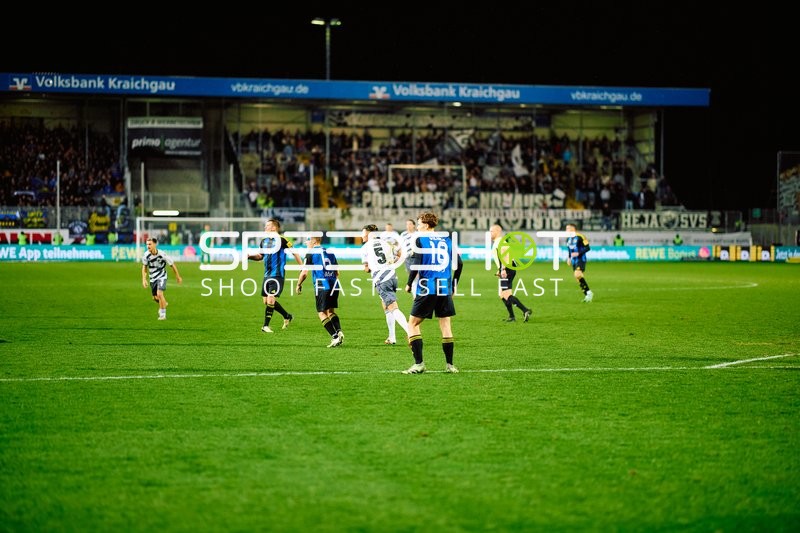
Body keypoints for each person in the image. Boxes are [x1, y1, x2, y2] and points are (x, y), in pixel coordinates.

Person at [403, 212, 463, 374]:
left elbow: (416, 264)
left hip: (427, 286)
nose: (417, 226)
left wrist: (408, 284)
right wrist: (454, 285)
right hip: (444, 288)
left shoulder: (420, 240)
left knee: (413, 324)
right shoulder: (447, 239)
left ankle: (419, 364)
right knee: (445, 325)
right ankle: (450, 365)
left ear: (427, 225)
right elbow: (460, 263)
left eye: (419, 223)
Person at [247, 218, 302, 333]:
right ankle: (287, 316)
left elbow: (295, 252)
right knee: (266, 301)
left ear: (273, 227)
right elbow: (260, 256)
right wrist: (249, 256)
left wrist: (302, 267)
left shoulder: (282, 240)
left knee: (271, 300)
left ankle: (265, 326)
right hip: (267, 274)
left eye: (267, 226)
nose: (265, 228)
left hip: (277, 275)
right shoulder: (264, 241)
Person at [361, 224, 409, 345]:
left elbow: (366, 269)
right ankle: (392, 337)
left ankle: (411, 332)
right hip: (392, 276)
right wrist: (391, 263)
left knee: (393, 307)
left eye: (364, 234)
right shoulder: (385, 243)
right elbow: (401, 254)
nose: (362, 236)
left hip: (381, 279)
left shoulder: (365, 247)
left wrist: (371, 266)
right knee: (386, 306)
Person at [296, 236, 344, 347]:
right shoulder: (330, 251)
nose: (306, 243)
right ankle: (339, 331)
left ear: (313, 241)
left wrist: (298, 284)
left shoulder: (310, 253)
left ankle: (335, 337)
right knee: (331, 311)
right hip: (334, 284)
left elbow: (304, 273)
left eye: (307, 241)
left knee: (321, 313)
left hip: (322, 286)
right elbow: (337, 272)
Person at [489, 224, 532, 322]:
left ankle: (525, 310)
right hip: (506, 269)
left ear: (497, 231)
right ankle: (512, 316)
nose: (490, 233)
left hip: (507, 270)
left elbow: (505, 255)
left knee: (506, 294)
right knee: (502, 294)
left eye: (491, 231)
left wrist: (503, 269)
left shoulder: (500, 242)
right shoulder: (499, 242)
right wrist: (500, 269)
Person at [141, 237, 183, 320]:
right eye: (147, 244)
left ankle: (162, 314)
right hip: (152, 278)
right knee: (155, 298)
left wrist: (177, 276)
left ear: (155, 244)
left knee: (160, 294)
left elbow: (172, 265)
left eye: (150, 244)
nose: (148, 246)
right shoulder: (146, 255)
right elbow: (144, 267)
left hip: (162, 276)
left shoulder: (162, 254)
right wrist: (144, 279)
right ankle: (164, 303)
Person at [565, 223, 593, 302]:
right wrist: (569, 258)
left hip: (581, 259)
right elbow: (569, 250)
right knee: (578, 278)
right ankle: (587, 294)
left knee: (577, 274)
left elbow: (587, 247)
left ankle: (589, 293)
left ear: (573, 229)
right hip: (574, 260)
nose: (566, 230)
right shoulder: (568, 239)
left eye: (567, 228)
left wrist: (578, 253)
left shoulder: (580, 236)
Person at [399, 218, 417, 293]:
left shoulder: (418, 234)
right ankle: (413, 287)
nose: (408, 226)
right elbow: (400, 246)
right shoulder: (403, 234)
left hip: (416, 257)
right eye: (407, 224)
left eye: (410, 224)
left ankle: (414, 290)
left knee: (416, 276)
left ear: (414, 225)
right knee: (411, 275)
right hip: (407, 258)